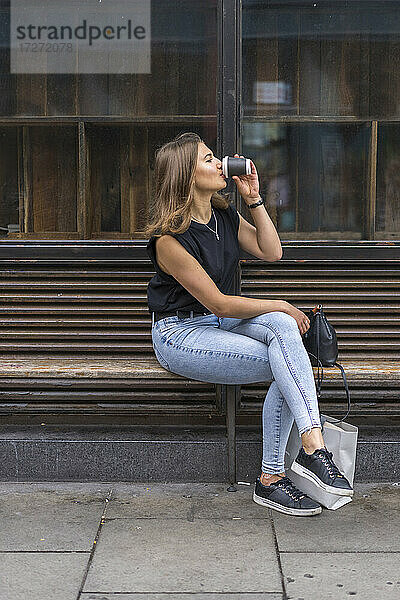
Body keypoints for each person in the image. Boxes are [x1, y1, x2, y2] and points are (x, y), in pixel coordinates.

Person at [145, 132, 353, 517]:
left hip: (221, 324)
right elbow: (217, 300)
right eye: (208, 159)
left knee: (283, 335)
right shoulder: (169, 239)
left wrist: (254, 197)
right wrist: (279, 303)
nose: (220, 163)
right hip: (180, 333)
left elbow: (272, 252)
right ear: (186, 174)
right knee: (289, 357)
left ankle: (311, 446)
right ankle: (276, 476)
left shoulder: (223, 214)